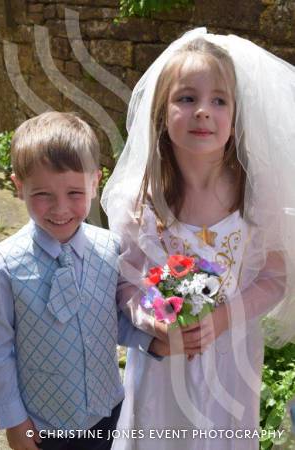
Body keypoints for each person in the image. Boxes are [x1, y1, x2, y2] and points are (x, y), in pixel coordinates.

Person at [101, 29, 295, 449]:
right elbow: (126, 281)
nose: (203, 111)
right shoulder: (141, 200)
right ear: (162, 112)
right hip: (163, 362)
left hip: (232, 358)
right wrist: (150, 320)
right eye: (186, 98)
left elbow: (274, 278)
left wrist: (223, 318)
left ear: (236, 113)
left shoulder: (255, 195)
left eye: (219, 100)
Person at [0, 112, 167, 450]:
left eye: (74, 192)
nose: (60, 208)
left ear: (95, 182)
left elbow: (111, 318)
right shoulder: (4, 267)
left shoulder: (110, 248)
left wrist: (152, 341)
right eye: (43, 194)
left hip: (109, 412)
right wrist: (14, 420)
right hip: (45, 424)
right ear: (18, 186)